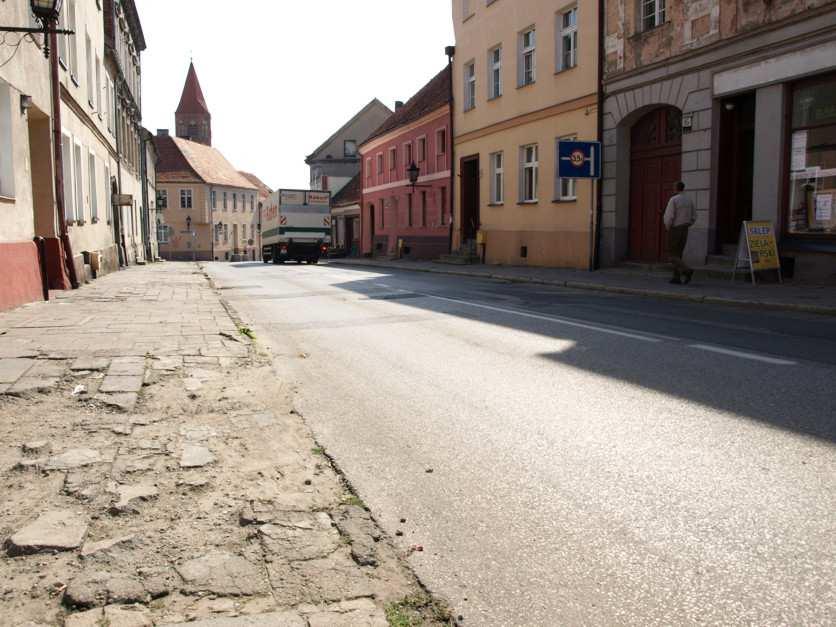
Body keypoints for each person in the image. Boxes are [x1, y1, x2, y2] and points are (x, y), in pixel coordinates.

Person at [663, 181, 696, 285]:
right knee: (679, 253)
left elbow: (669, 216)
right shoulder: (689, 200)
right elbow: (694, 216)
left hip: (675, 228)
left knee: (672, 255)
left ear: (675, 188)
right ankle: (676, 277)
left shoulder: (674, 199)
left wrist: (668, 227)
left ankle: (687, 270)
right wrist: (688, 224)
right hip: (685, 228)